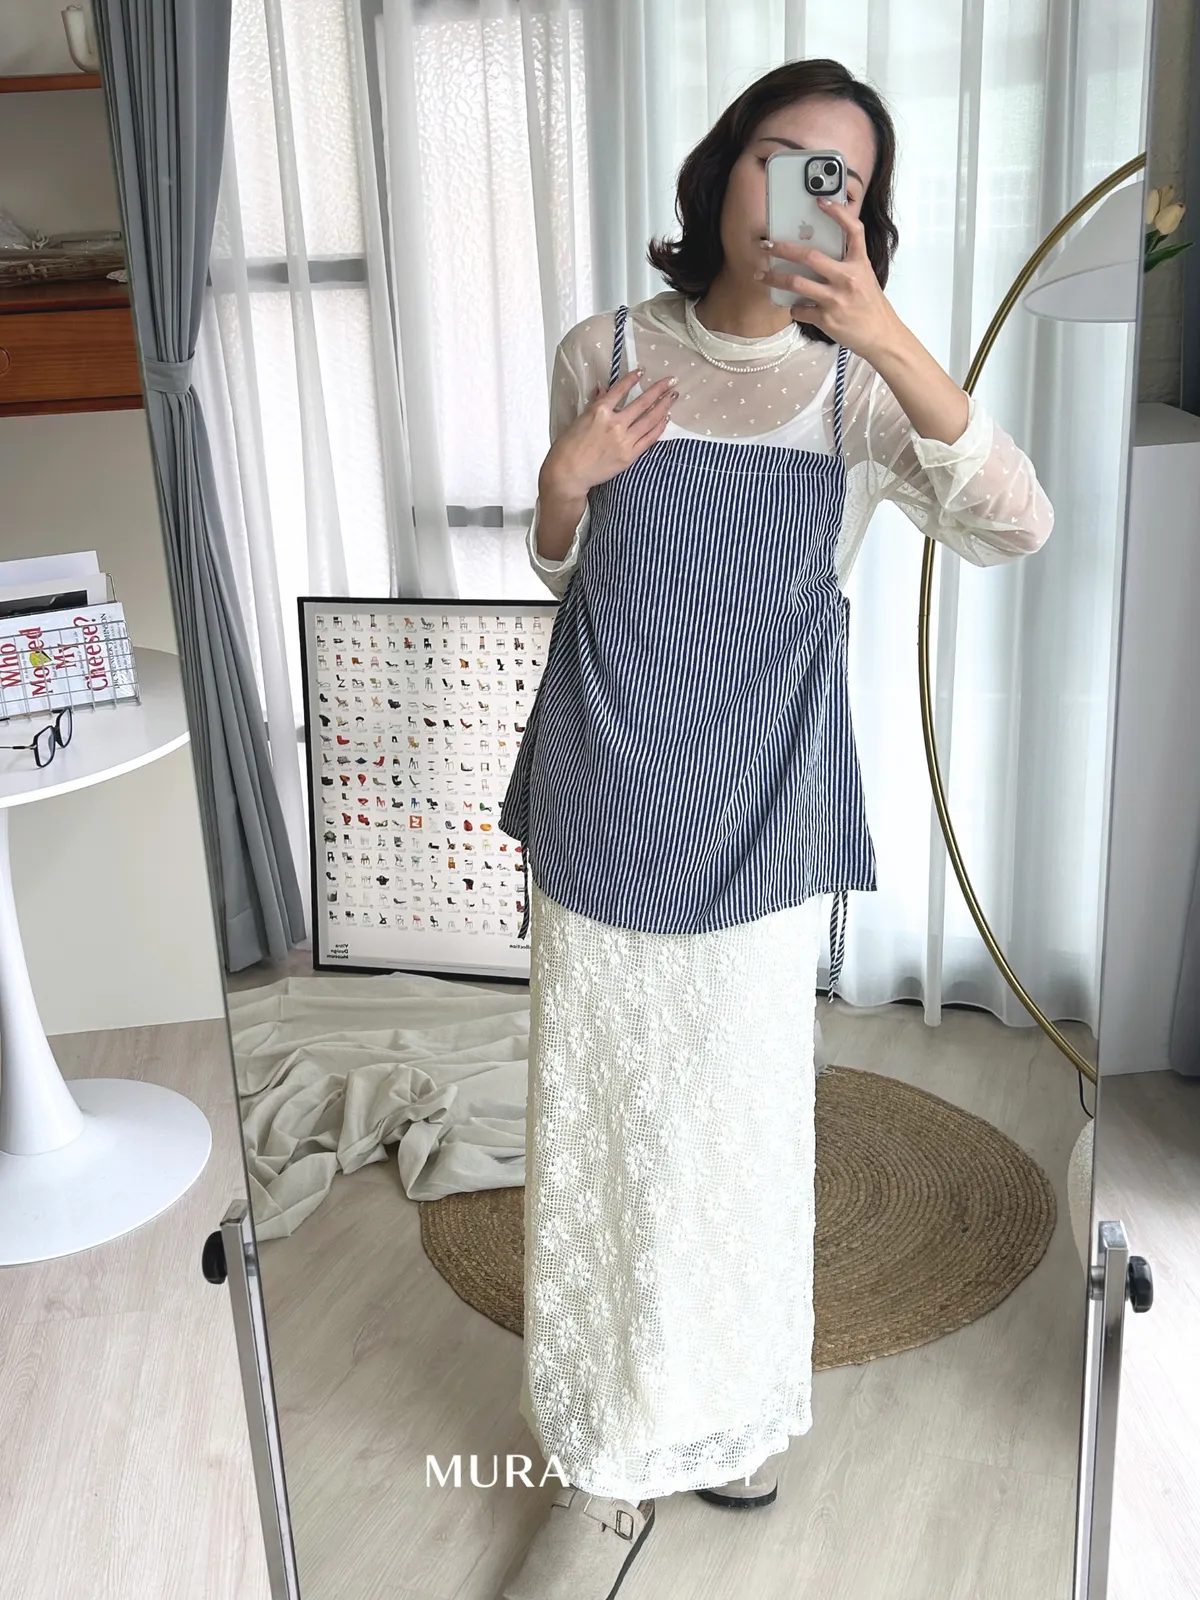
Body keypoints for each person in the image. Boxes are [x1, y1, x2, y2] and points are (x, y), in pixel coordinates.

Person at [496, 56, 1053, 1600]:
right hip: (607, 798)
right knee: (608, 1138)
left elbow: (1015, 526)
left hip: (757, 824)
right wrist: (563, 480)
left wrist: (890, 336)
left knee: (736, 1138)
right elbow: (565, 568)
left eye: (839, 180)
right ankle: (605, 1468)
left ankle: (727, 1416)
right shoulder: (605, 349)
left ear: (862, 216)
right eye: (777, 156)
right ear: (721, 169)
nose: (801, 194)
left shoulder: (859, 392)